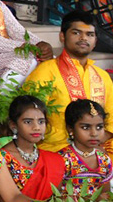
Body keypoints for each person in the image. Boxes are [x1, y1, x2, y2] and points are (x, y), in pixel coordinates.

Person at [24, 9, 113, 153]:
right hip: (58, 149)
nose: (83, 38)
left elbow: (111, 121)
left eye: (89, 34)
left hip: (99, 148)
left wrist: (93, 145)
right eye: (76, 33)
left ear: (95, 41)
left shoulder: (102, 76)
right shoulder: (45, 71)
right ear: (62, 36)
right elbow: (29, 116)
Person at [0, 95, 64, 200]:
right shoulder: (1, 157)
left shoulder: (53, 160)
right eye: (28, 122)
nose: (36, 127)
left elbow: (57, 198)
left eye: (41, 122)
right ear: (13, 125)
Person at [58, 99, 112, 200]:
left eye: (99, 127)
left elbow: (107, 195)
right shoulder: (63, 159)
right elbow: (56, 198)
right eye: (86, 127)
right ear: (70, 128)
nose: (94, 133)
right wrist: (92, 200)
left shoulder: (104, 159)